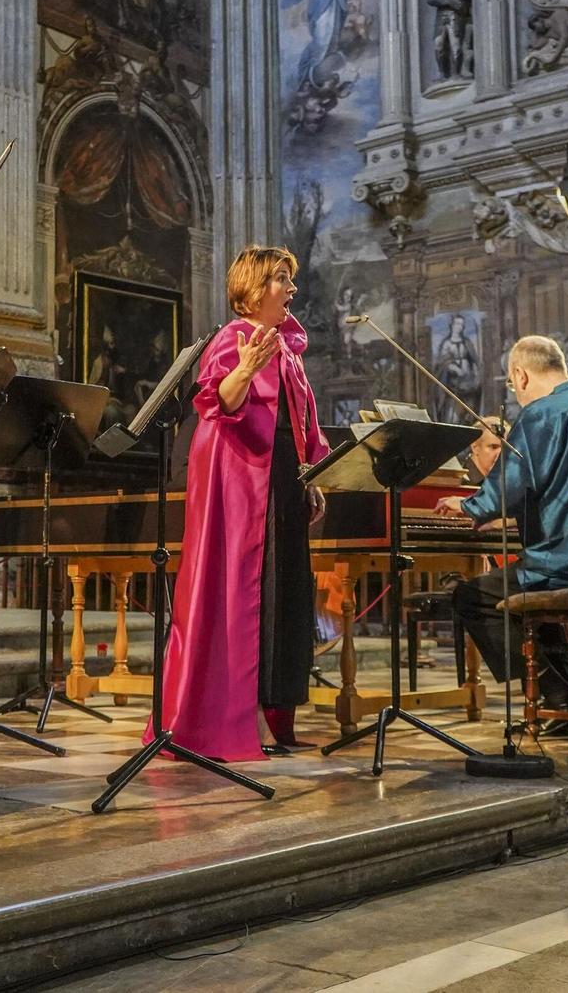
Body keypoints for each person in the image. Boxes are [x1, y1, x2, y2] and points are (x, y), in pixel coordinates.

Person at [156, 245, 329, 761]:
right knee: (248, 590)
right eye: (281, 279)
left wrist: (310, 476)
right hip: (241, 482)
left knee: (288, 591)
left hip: (283, 477)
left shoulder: (291, 351)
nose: (291, 289)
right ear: (253, 289)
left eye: (289, 280)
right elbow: (216, 402)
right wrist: (247, 366)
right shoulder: (233, 339)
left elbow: (298, 424)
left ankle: (278, 716)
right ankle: (234, 718)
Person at [438, 336, 568, 737]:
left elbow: (510, 486)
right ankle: (566, 703)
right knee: (527, 588)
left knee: (474, 595)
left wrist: (467, 507)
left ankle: (554, 700)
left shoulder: (539, 415)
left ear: (520, 375)